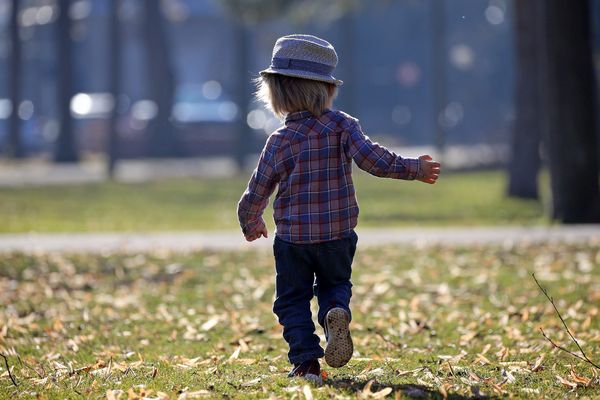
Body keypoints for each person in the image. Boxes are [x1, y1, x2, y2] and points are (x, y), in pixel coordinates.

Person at [237, 34, 440, 383]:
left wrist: (250, 219)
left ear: (277, 93)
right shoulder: (343, 126)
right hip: (337, 235)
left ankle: (305, 364)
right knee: (335, 283)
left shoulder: (280, 141)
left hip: (294, 241)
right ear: (327, 89)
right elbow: (375, 161)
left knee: (292, 301)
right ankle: (336, 311)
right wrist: (414, 169)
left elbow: (258, 187)